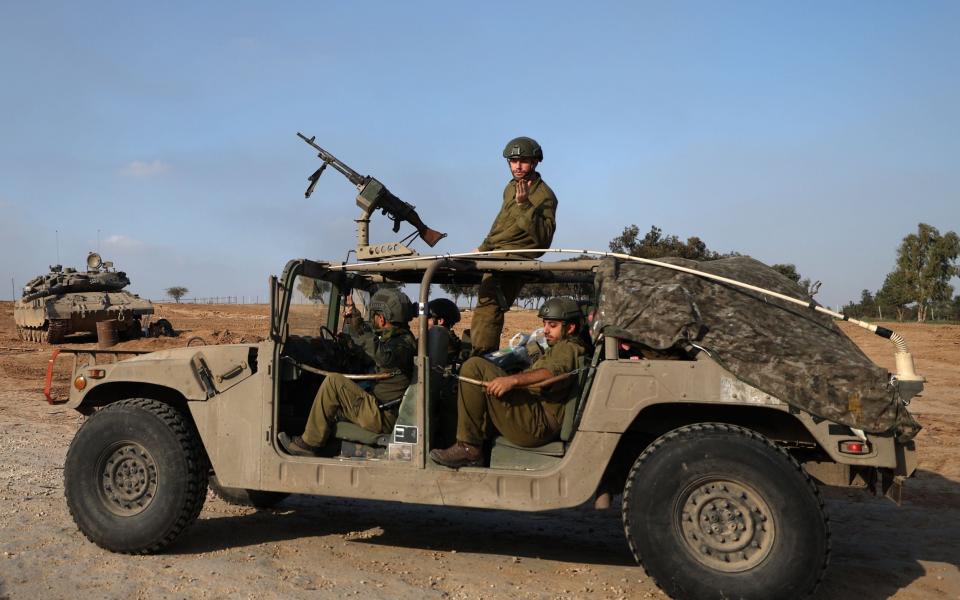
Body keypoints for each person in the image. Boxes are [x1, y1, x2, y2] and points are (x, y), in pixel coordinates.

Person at [430, 297, 585, 468]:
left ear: (570, 328)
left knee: (474, 367)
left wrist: (512, 380)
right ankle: (465, 444)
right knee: (464, 390)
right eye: (545, 324)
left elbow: (550, 374)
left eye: (552, 325)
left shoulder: (568, 347)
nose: (546, 330)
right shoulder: (559, 347)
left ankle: (469, 448)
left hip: (539, 422)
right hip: (535, 414)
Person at [279, 288, 416, 456]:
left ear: (381, 318)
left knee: (334, 382)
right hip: (381, 406)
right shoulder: (397, 339)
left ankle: (307, 443)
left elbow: (384, 357)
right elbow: (373, 355)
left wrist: (359, 330)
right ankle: (319, 440)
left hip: (383, 415)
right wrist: (352, 334)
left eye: (373, 316)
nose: (372, 320)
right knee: (339, 396)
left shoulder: (403, 344)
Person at [470, 136, 558, 355]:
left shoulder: (545, 195)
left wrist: (524, 205)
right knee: (484, 305)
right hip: (497, 251)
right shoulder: (511, 188)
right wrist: (483, 247)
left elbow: (543, 239)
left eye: (523, 160)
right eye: (513, 161)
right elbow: (501, 222)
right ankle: (475, 354)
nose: (517, 166)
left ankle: (481, 359)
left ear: (535, 162)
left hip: (516, 256)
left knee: (489, 308)